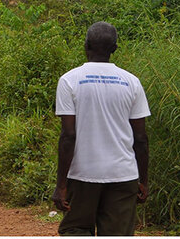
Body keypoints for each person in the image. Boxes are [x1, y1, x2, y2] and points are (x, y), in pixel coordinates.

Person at [53, 21, 150, 236]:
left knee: (76, 230)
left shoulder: (69, 81)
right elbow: (141, 138)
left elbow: (68, 136)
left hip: (82, 175)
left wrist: (61, 185)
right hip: (123, 176)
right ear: (114, 49)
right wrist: (143, 180)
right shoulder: (132, 82)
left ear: (85, 45)